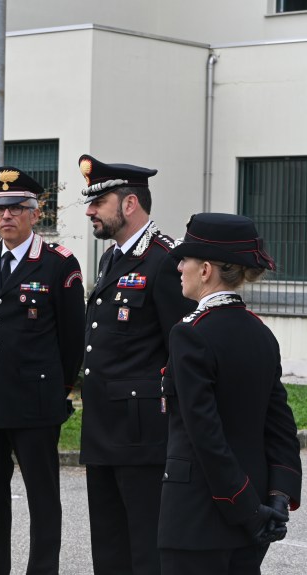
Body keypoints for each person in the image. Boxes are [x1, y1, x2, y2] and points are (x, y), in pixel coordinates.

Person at [158, 212, 302, 574]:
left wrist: (246, 509)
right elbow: (280, 425)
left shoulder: (191, 333)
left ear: (205, 270)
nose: (179, 268)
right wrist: (278, 497)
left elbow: (205, 435)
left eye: (184, 261)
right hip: (252, 511)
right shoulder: (260, 332)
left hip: (200, 516)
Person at [78, 154, 194, 575]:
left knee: (146, 549)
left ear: (129, 204)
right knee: (108, 548)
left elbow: (181, 352)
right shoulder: (113, 257)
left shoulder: (165, 260)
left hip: (143, 435)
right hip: (104, 429)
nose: (89, 210)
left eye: (98, 201)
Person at [0, 167, 85, 575]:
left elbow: (72, 340)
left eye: (17, 208)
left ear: (36, 213)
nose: (7, 217)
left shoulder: (57, 265)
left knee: (43, 500)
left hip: (35, 403)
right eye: (0, 209)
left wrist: (60, 389)